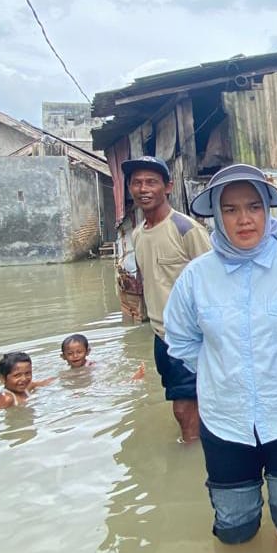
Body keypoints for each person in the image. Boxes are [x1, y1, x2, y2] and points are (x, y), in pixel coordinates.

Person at [164, 164, 277, 544]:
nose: (244, 219)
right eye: (230, 209)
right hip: (224, 417)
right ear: (216, 216)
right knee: (234, 525)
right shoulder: (195, 277)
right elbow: (181, 340)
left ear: (267, 210)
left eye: (253, 207)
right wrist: (221, 373)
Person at [121, 155, 211, 443]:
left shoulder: (186, 229)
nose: (143, 189)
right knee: (186, 402)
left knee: (185, 408)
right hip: (161, 334)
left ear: (168, 187)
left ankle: (188, 458)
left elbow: (214, 281)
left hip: (191, 335)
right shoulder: (138, 235)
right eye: (136, 183)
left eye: (151, 182)